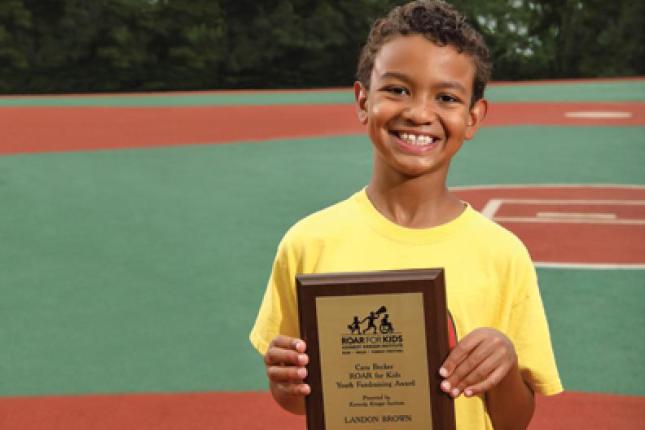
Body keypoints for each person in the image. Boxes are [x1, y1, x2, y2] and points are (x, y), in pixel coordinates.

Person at [249, 1, 562, 428]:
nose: (418, 112)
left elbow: (514, 420)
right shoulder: (308, 243)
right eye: (397, 89)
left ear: (473, 117)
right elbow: (303, 399)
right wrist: (286, 384)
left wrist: (503, 364)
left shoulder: (503, 254)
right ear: (363, 100)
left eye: (446, 97)